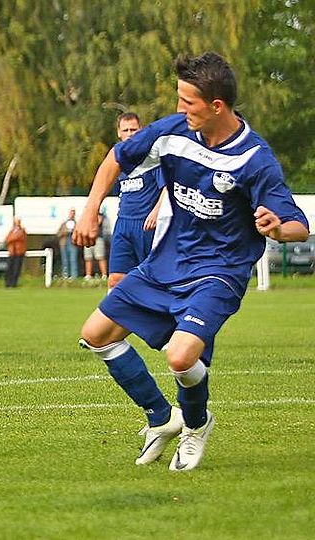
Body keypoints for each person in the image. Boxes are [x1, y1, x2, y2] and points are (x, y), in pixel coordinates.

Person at [73, 52, 308, 471]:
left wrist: (276, 228)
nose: (180, 108)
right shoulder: (174, 131)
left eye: (188, 102)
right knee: (96, 335)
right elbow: (117, 157)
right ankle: (162, 417)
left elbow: (299, 226)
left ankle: (196, 425)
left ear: (216, 106)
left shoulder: (254, 159)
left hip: (218, 273)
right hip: (166, 262)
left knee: (180, 357)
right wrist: (91, 210)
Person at [107, 112, 164, 289]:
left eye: (134, 130)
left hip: (147, 225)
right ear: (119, 133)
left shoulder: (152, 158)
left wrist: (156, 212)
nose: (130, 134)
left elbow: (168, 187)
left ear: (141, 130)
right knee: (115, 279)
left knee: (151, 280)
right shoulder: (118, 162)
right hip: (123, 224)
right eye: (126, 130)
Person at [83, 212, 108, 280]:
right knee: (88, 257)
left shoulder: (100, 214)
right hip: (88, 238)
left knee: (100, 257)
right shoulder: (86, 215)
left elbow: (98, 222)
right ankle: (88, 275)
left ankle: (104, 275)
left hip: (98, 238)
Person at [4, 217, 27, 288]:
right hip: (12, 252)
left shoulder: (22, 230)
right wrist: (11, 238)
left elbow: (16, 237)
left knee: (16, 269)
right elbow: (7, 239)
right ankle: (8, 283)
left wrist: (11, 238)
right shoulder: (12, 230)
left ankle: (13, 283)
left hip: (19, 252)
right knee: (9, 268)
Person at [56, 208, 79, 279]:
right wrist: (64, 232)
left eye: (73, 213)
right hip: (64, 243)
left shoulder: (77, 224)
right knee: (65, 260)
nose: (72, 215)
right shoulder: (64, 224)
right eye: (71, 213)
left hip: (72, 243)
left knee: (73, 260)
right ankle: (65, 275)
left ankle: (74, 276)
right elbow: (58, 234)